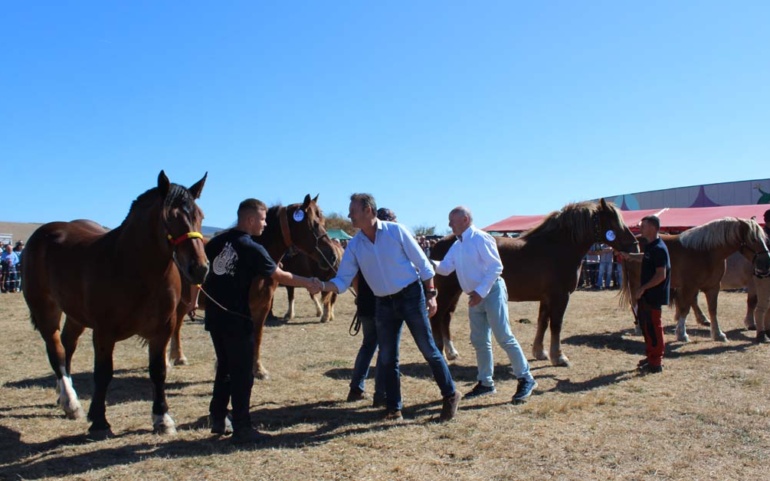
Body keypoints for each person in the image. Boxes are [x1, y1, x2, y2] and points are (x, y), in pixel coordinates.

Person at [318, 193, 461, 422]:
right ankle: (394, 408)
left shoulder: (396, 231)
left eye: (353, 210)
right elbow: (343, 280)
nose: (349, 215)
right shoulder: (355, 245)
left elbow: (424, 265)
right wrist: (320, 284)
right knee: (387, 357)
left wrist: (431, 295)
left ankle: (451, 394)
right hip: (383, 302)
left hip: (411, 296)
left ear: (368, 210)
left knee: (429, 350)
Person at [203, 198, 321, 443]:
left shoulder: (215, 243)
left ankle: (217, 417)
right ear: (249, 220)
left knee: (224, 367)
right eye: (263, 219)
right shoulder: (252, 248)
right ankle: (242, 427)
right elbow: (280, 275)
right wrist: (308, 282)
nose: (265, 224)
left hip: (215, 318)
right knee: (243, 373)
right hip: (238, 318)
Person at [433, 207, 537, 403]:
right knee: (480, 341)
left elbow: (496, 266)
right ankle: (485, 383)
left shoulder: (480, 238)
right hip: (476, 296)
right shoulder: (458, 244)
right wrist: (426, 263)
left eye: (452, 220)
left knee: (504, 337)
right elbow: (446, 268)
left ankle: (526, 378)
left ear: (464, 219)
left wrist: (480, 293)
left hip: (490, 292)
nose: (449, 224)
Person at [347, 208, 397, 406]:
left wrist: (360, 298)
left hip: (367, 301)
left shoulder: (360, 243)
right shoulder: (384, 244)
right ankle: (381, 394)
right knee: (385, 348)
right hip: (380, 301)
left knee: (369, 344)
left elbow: (354, 276)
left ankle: (356, 387)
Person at [623, 215, 670, 374]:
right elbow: (646, 258)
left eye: (643, 226)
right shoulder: (651, 246)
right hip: (647, 295)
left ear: (652, 228)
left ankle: (656, 362)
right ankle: (651, 357)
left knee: (654, 328)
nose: (640, 228)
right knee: (646, 327)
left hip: (654, 295)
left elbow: (661, 275)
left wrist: (643, 288)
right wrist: (630, 256)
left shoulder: (659, 248)